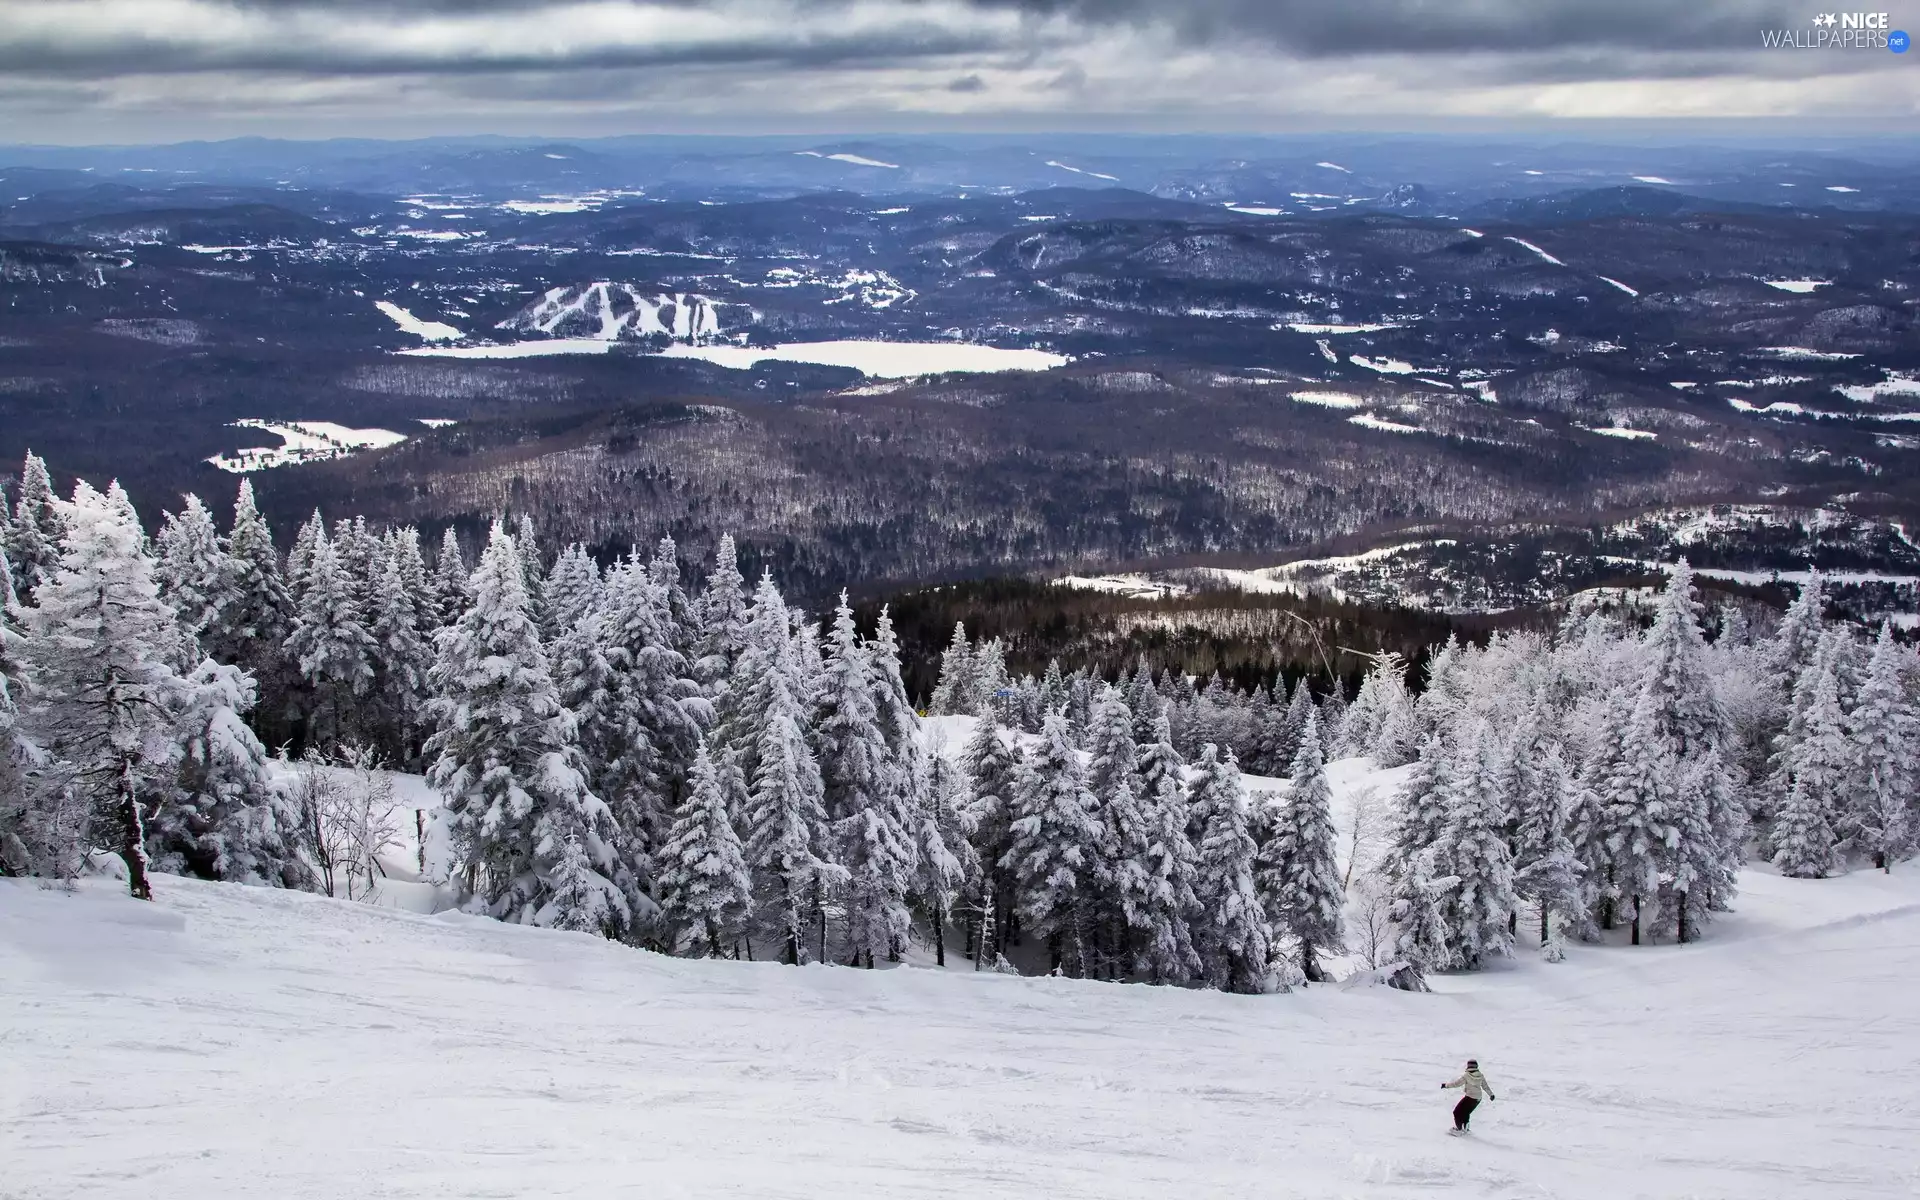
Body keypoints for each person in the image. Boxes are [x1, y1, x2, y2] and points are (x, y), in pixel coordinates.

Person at [1441, 1059, 1495, 1133]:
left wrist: (1446, 1085)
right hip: (1478, 1098)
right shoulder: (1480, 1075)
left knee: (1456, 1112)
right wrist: (1491, 1094)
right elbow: (1485, 1086)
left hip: (1470, 1097)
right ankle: (1466, 1128)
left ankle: (1459, 1129)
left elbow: (1456, 1084)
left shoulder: (1467, 1075)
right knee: (1466, 1113)